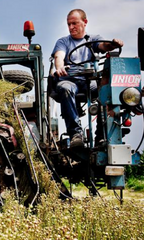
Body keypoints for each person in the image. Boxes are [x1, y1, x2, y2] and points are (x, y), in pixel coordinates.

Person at [52, 9, 123, 147]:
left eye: (74, 23)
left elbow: (104, 46)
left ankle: (102, 136)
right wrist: (60, 67)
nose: (71, 27)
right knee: (65, 88)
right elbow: (59, 56)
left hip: (89, 81)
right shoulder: (63, 41)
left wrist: (113, 45)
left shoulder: (92, 40)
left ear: (85, 22)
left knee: (106, 91)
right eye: (69, 24)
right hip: (70, 79)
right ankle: (76, 134)